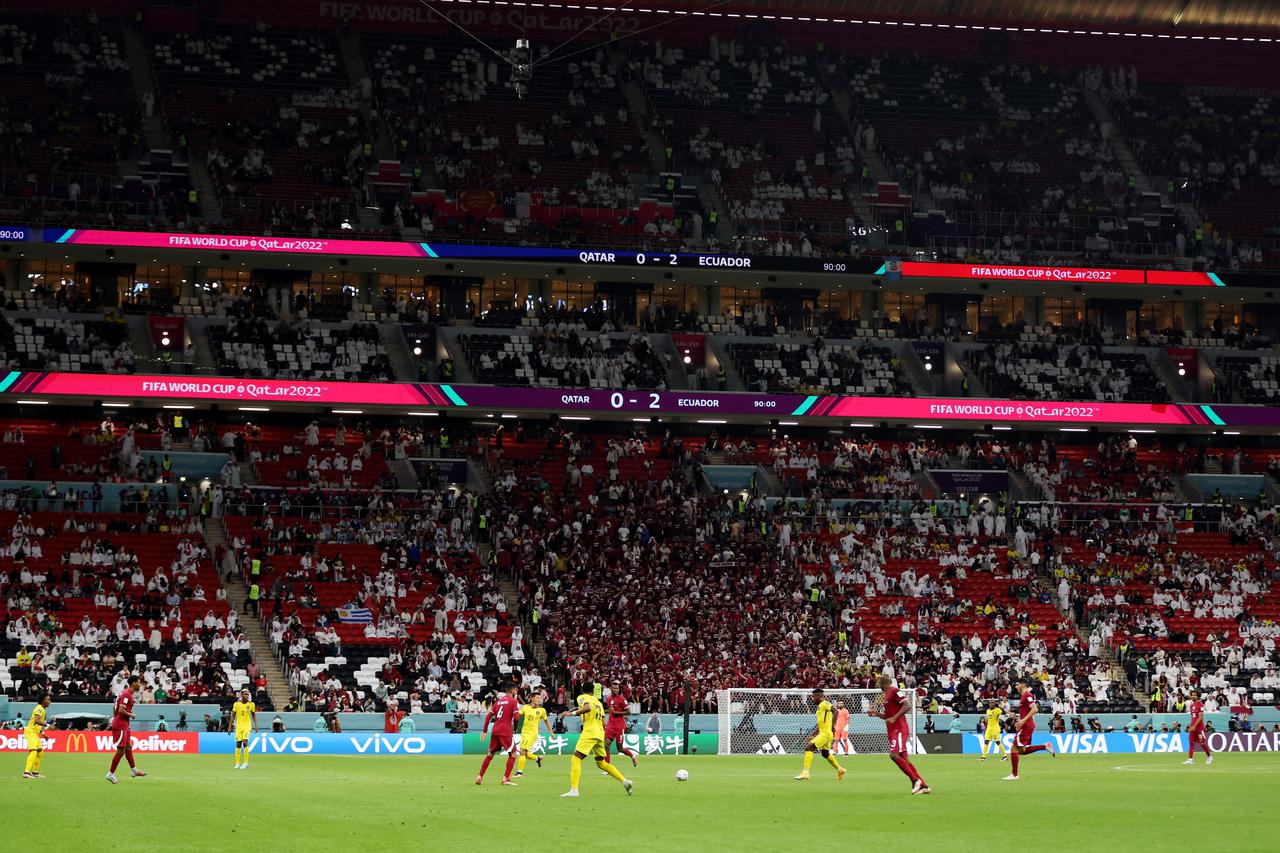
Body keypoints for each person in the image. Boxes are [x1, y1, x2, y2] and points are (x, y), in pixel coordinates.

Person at [557, 692, 633, 797]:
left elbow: (587, 708)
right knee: (601, 763)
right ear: (593, 692)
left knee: (576, 759)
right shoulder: (598, 703)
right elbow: (604, 723)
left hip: (590, 732)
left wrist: (572, 713)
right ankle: (625, 781)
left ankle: (574, 790)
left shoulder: (582, 697)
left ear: (583, 690)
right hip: (600, 734)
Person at [869, 675, 929, 794]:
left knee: (893, 755)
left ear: (882, 683)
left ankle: (915, 780)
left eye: (878, 682)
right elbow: (888, 716)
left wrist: (895, 717)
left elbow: (907, 705)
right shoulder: (887, 695)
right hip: (893, 730)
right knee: (904, 759)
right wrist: (876, 714)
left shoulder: (894, 691)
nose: (877, 685)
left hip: (899, 729)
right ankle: (924, 786)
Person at [1005, 677, 1056, 781]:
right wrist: (1018, 718)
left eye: (1017, 684)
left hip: (1026, 725)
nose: (1016, 686)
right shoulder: (1024, 696)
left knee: (1014, 749)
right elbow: (1026, 711)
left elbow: (1035, 709)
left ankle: (1014, 775)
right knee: (1022, 751)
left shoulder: (1027, 695)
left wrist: (1023, 721)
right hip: (1027, 725)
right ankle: (1045, 746)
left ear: (1023, 685)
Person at [794, 687, 845, 781]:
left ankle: (805, 772)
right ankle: (840, 769)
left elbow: (836, 711)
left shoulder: (824, 703)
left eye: (813, 697)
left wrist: (833, 725)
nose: (812, 699)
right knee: (825, 753)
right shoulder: (819, 708)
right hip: (825, 734)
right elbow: (820, 723)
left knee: (809, 748)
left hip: (826, 734)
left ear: (818, 696)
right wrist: (813, 734)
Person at [476, 682, 521, 786]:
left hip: (495, 730)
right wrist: (515, 729)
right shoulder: (514, 701)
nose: (516, 691)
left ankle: (479, 777)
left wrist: (484, 731)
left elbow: (488, 716)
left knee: (490, 754)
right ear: (512, 690)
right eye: (515, 689)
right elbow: (516, 717)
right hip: (505, 731)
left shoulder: (498, 702)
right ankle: (506, 779)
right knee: (513, 754)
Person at [106, 674, 147, 784]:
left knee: (128, 747)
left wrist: (119, 717)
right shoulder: (127, 694)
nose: (140, 684)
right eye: (138, 682)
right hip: (120, 725)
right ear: (133, 683)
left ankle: (134, 770)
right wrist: (130, 715)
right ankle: (110, 774)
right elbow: (121, 710)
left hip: (124, 724)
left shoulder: (126, 693)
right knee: (121, 751)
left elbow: (114, 707)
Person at [514, 690, 553, 778]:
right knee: (524, 752)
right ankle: (537, 758)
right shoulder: (525, 707)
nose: (539, 700)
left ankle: (519, 772)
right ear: (532, 698)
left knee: (522, 751)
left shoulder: (542, 710)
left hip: (532, 734)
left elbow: (546, 721)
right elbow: (518, 715)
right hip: (524, 733)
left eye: (540, 698)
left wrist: (551, 732)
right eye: (537, 698)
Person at [604, 681, 639, 768]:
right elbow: (610, 710)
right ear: (611, 689)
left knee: (620, 749)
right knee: (606, 745)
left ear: (618, 689)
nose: (615, 690)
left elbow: (628, 712)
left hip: (619, 726)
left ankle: (632, 755)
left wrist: (615, 712)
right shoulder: (608, 699)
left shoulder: (622, 699)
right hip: (610, 725)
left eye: (617, 688)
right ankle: (607, 767)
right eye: (614, 688)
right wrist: (604, 711)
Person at [22, 692, 50, 779]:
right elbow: (37, 721)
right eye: (48, 699)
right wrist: (48, 725)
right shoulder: (39, 708)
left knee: (40, 753)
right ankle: (26, 772)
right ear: (43, 700)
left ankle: (35, 772)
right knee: (34, 751)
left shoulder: (43, 710)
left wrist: (43, 733)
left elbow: (39, 724)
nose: (50, 701)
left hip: (35, 733)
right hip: (30, 732)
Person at [1184, 689, 1213, 766]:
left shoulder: (1200, 705)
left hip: (1199, 728)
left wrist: (1194, 726)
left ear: (1198, 696)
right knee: (1191, 742)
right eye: (1192, 695)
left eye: (1195, 695)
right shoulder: (1191, 706)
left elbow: (1200, 718)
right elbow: (1192, 717)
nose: (1193, 696)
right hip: (1193, 727)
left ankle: (1209, 757)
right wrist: (1191, 726)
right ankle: (1190, 759)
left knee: (1202, 743)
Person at [232, 688, 258, 770]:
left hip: (247, 726)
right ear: (241, 695)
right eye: (245, 694)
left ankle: (246, 762)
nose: (247, 695)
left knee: (244, 742)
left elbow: (253, 715)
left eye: (248, 694)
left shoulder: (251, 704)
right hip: (239, 726)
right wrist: (229, 726)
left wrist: (256, 725)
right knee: (238, 744)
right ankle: (237, 763)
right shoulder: (236, 704)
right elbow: (233, 715)